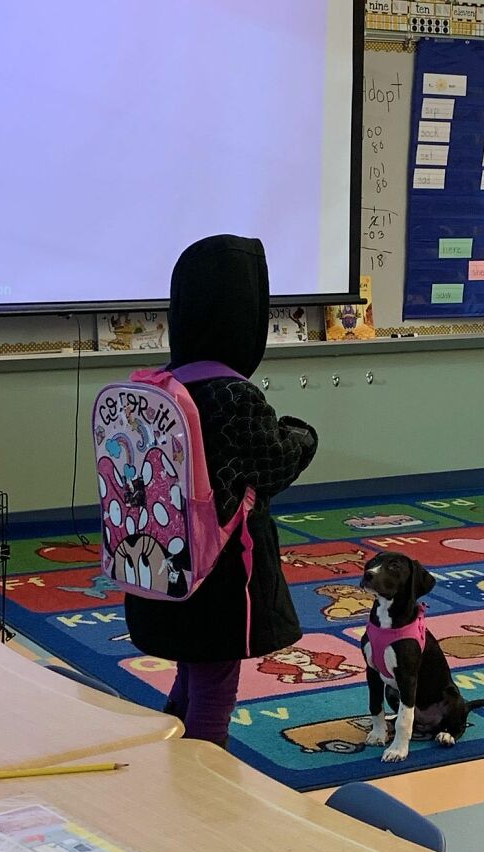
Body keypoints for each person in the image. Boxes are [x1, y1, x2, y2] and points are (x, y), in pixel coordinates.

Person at [124, 235, 317, 747]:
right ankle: (201, 788)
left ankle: (171, 761)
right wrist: (304, 433)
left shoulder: (160, 384)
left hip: (163, 563)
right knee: (215, 686)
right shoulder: (233, 393)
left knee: (193, 670)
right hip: (219, 574)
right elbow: (277, 463)